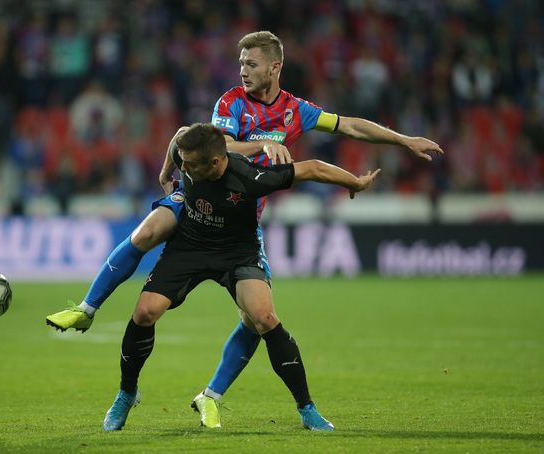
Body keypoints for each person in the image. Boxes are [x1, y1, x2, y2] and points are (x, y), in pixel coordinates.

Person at [46, 31, 443, 425]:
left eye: (251, 64)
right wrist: (256, 147)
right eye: (240, 64)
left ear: (275, 66)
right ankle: (89, 311)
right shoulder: (232, 102)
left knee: (260, 318)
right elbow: (216, 145)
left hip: (240, 226)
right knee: (150, 232)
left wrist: (404, 140)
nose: (243, 71)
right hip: (198, 206)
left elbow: (349, 127)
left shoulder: (296, 111)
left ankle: (221, 397)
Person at [100, 123, 379, 431]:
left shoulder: (248, 177)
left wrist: (355, 182)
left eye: (191, 166)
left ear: (217, 163)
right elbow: (179, 136)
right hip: (190, 247)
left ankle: (307, 408)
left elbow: (312, 169)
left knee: (264, 318)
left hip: (237, 253)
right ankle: (127, 393)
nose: (186, 170)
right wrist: (166, 174)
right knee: (144, 313)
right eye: (183, 163)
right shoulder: (187, 155)